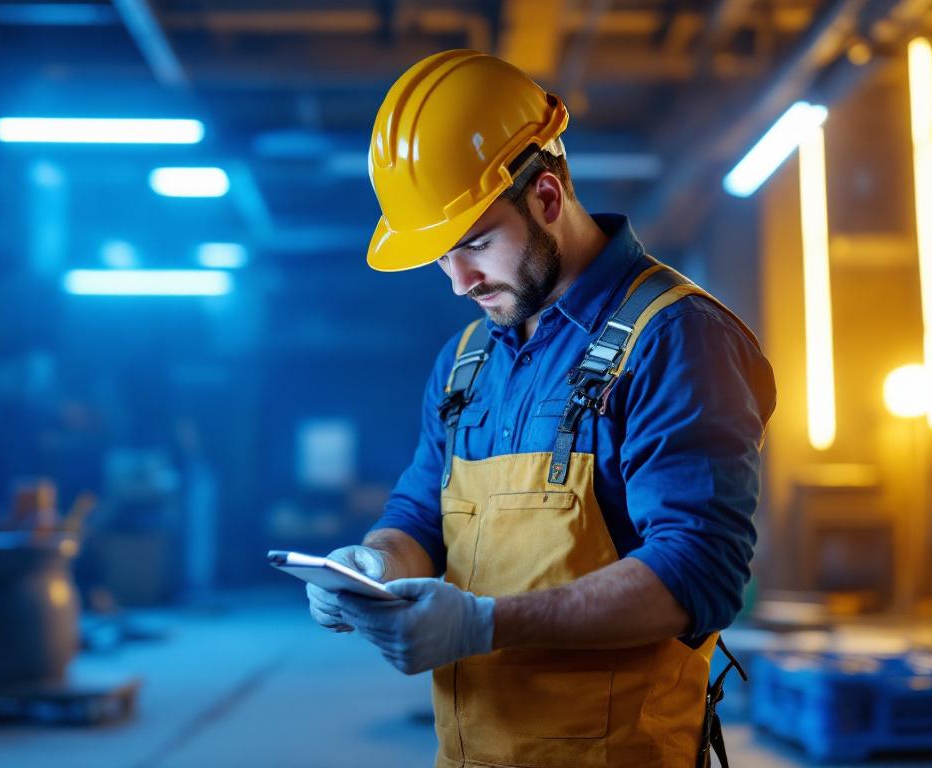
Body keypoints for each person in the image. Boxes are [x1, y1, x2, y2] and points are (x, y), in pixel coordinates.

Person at [306, 50, 776, 767]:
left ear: (548, 198)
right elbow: (420, 514)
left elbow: (697, 571)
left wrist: (484, 625)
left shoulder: (676, 339)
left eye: (474, 244)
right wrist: (372, 566)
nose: (459, 281)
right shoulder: (467, 359)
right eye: (439, 257)